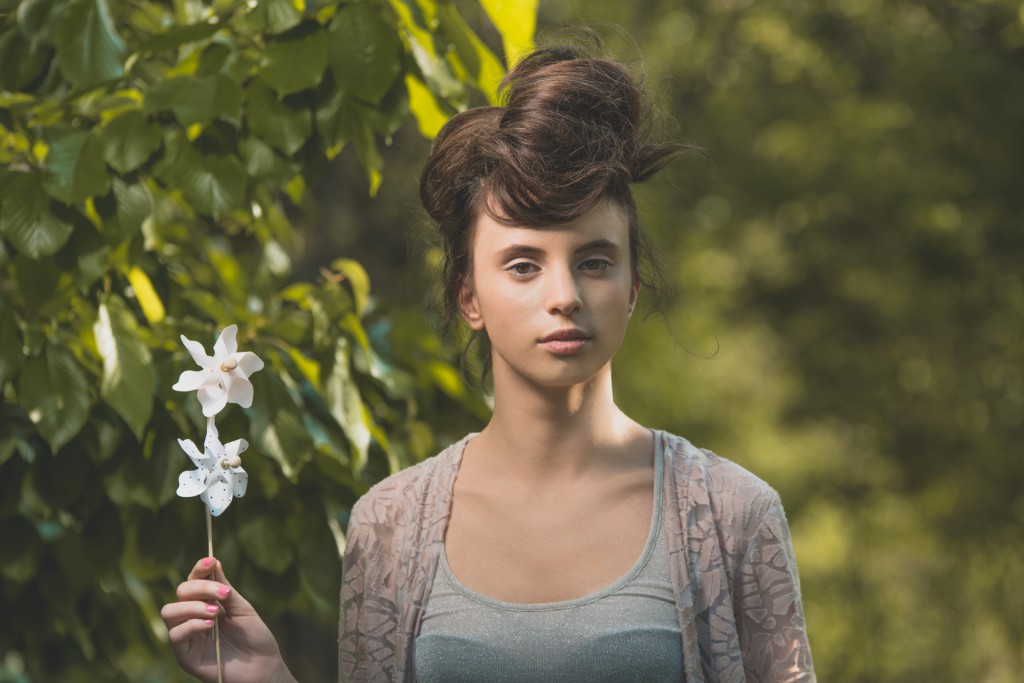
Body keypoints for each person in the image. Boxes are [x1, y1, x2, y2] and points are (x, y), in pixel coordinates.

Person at [161, 46, 815, 683]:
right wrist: (267, 675)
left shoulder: (734, 514)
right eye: (524, 264)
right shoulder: (388, 525)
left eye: (594, 261)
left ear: (633, 289)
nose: (565, 295)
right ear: (468, 296)